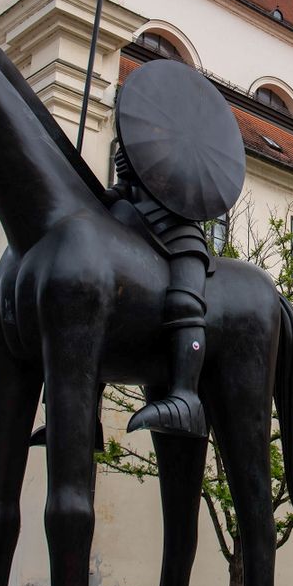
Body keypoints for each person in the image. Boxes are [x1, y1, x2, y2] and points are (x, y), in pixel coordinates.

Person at [108, 145, 210, 439]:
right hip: (127, 222)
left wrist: (146, 163)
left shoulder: (184, 128)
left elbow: (198, 173)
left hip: (175, 227)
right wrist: (117, 186)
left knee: (186, 302)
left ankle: (185, 396)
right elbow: (122, 189)